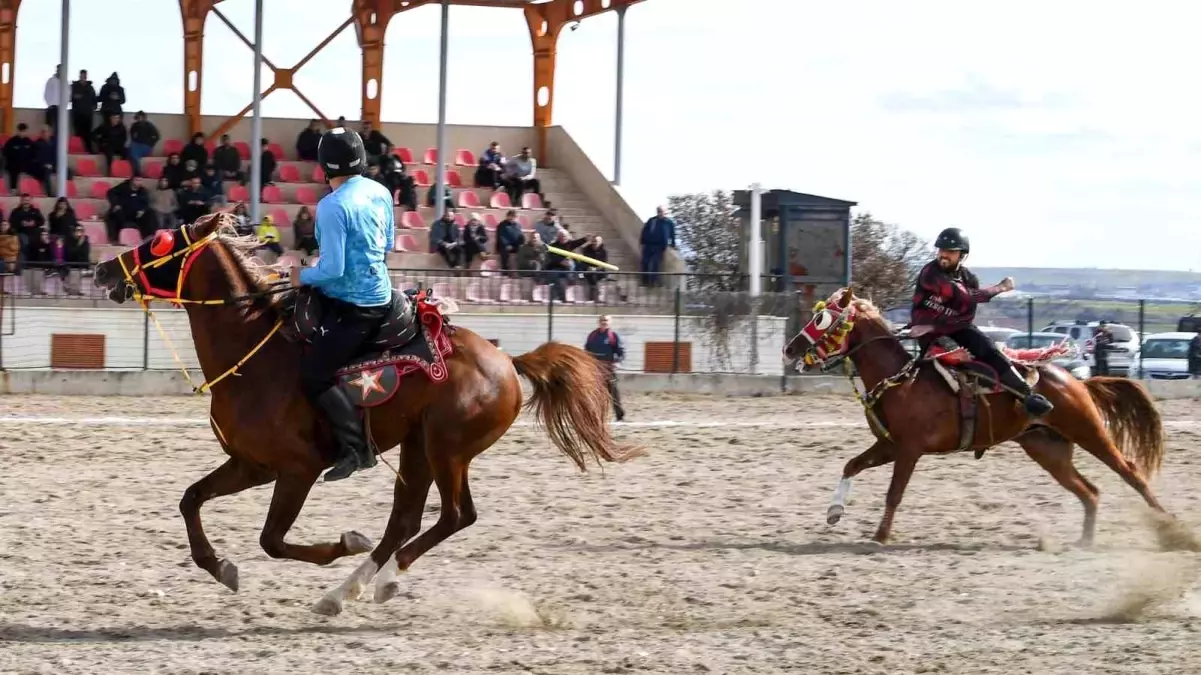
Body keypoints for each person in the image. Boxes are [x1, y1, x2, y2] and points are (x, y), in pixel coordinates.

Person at [290, 127, 394, 482]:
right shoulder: (380, 192)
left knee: (314, 375)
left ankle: (356, 449)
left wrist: (299, 275)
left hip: (356, 307)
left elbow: (333, 268)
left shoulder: (331, 206)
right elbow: (388, 246)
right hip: (381, 292)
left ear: (324, 166)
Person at [909, 227, 1053, 416]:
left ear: (962, 255)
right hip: (927, 333)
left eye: (950, 252)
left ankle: (1027, 396)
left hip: (955, 328)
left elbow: (966, 316)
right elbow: (967, 297)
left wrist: (938, 325)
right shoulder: (931, 273)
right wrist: (1001, 287)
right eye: (941, 250)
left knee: (988, 348)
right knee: (949, 355)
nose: (943, 255)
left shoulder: (970, 278)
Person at [584, 315, 626, 422]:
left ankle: (620, 416)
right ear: (599, 322)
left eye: (606, 320)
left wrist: (618, 362)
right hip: (595, 369)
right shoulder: (592, 336)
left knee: (613, 392)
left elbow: (620, 351)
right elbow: (586, 350)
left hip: (608, 369)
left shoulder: (613, 336)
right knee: (594, 393)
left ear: (610, 322)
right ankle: (595, 416)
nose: (604, 322)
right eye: (602, 320)